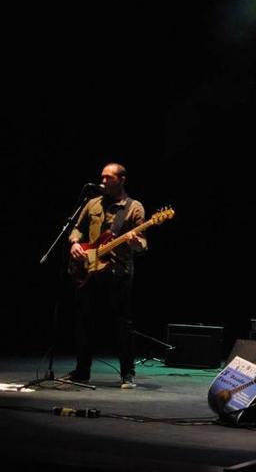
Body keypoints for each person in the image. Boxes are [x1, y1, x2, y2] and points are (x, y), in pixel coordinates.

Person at [63, 163, 147, 389]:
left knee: (123, 324)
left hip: (118, 272)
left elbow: (143, 245)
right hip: (89, 269)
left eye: (108, 177)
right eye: (102, 177)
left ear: (121, 179)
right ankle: (82, 372)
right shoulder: (92, 203)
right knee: (83, 321)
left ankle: (127, 374)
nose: (103, 181)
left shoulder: (133, 207)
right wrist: (74, 244)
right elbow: (76, 228)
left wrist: (135, 242)